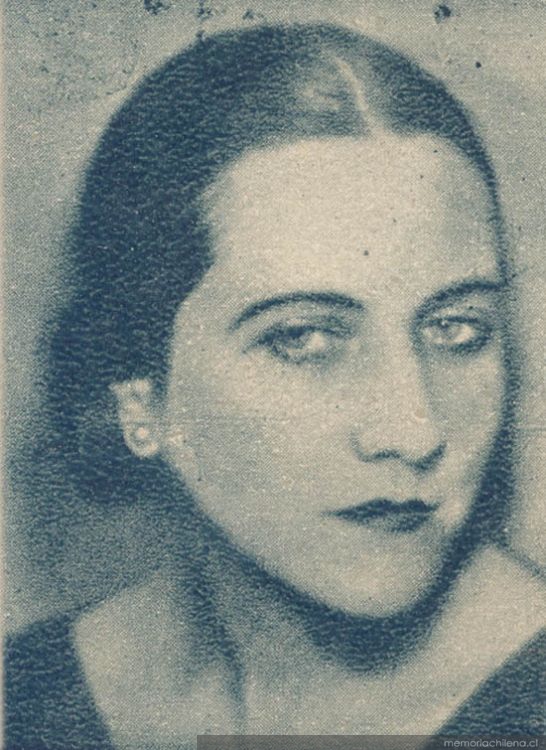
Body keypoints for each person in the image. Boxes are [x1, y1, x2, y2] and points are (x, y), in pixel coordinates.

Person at [6, 22, 545, 750]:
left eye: (457, 329)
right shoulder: (30, 698)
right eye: (303, 339)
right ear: (142, 396)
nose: (414, 431)